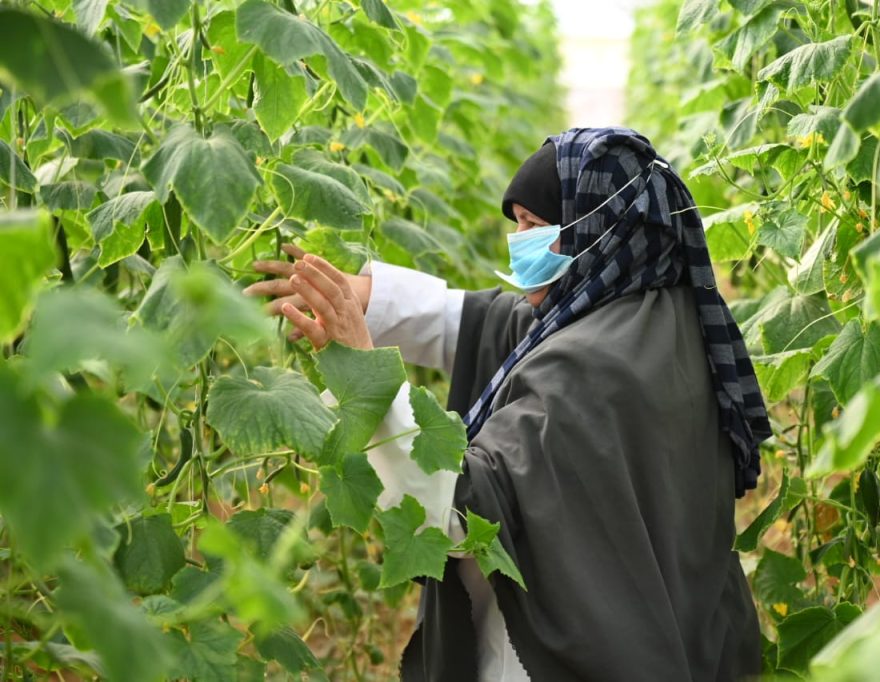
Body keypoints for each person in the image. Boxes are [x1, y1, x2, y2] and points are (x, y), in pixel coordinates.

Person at [245, 127, 771, 681]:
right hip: (677, 626)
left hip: (578, 654)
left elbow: (460, 512)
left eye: (534, 226)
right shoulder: (652, 309)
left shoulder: (587, 370)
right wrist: (365, 296)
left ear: (595, 229)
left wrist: (360, 371)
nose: (518, 241)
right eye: (514, 222)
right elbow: (487, 322)